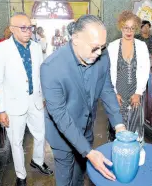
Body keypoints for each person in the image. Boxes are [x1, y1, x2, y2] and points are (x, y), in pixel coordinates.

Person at [40, 15, 126, 186]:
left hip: (86, 128)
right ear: (76, 39)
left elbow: (107, 89)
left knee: (79, 176)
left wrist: (119, 125)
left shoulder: (102, 56)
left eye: (103, 47)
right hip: (61, 135)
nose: (99, 53)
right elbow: (60, 115)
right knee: (65, 178)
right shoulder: (51, 68)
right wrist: (89, 152)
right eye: (95, 48)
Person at [0, 13, 53, 186]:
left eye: (30, 27)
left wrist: (41, 95)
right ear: (12, 29)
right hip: (12, 104)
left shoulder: (35, 47)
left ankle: (38, 161)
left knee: (41, 134)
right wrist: (1, 109)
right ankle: (21, 175)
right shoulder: (0, 50)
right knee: (16, 141)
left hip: (35, 100)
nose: (28, 31)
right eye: (23, 28)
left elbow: (39, 74)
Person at [107, 11, 150, 149]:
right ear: (121, 27)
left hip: (135, 95)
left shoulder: (141, 46)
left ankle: (134, 156)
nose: (129, 31)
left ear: (136, 28)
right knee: (117, 127)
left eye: (132, 28)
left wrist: (138, 92)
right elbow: (108, 71)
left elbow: (145, 70)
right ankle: (116, 157)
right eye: (126, 27)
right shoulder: (112, 47)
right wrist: (114, 93)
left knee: (134, 129)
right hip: (118, 93)